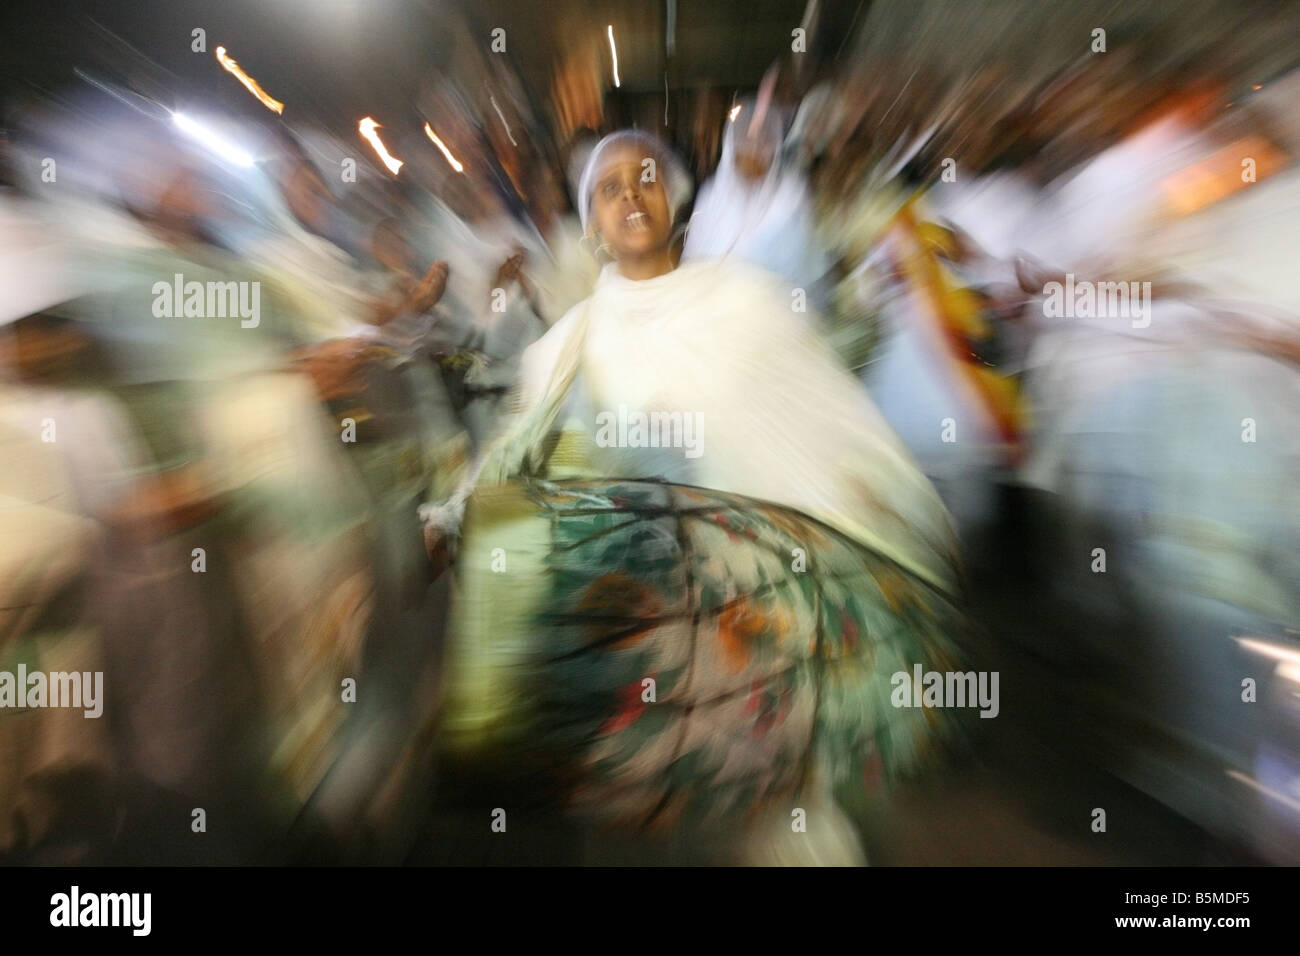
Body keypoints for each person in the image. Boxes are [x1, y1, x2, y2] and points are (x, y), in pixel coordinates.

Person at [423, 131, 964, 865]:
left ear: (674, 196)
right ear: (592, 222)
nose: (629, 196)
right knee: (677, 784)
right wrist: (450, 515)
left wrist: (891, 499)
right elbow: (515, 443)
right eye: (607, 188)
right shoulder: (575, 339)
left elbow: (822, 406)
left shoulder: (745, 298)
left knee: (784, 801)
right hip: (661, 609)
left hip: (775, 590)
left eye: (644, 178)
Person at [683, 97, 833, 308]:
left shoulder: (792, 195)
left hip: (779, 315)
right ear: (731, 146)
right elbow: (694, 266)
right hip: (717, 317)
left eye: (764, 141)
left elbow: (805, 274)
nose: (755, 151)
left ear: (776, 147)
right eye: (746, 141)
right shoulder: (711, 197)